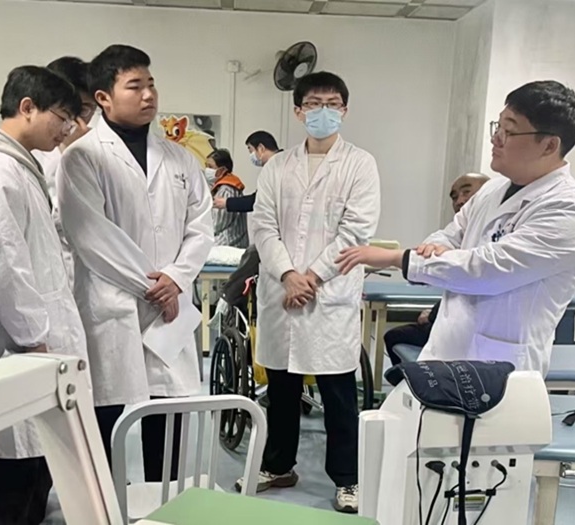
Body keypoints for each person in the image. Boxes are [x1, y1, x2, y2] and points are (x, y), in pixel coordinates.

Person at [337, 80, 575, 376]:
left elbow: (486, 270)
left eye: (509, 131)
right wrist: (436, 247)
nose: (496, 138)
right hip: (447, 349)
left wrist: (399, 258)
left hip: (500, 368)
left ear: (549, 145)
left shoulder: (569, 210)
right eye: (497, 126)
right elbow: (451, 234)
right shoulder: (493, 190)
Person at [57, 44, 213, 482]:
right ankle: (107, 506)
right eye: (134, 86)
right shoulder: (83, 157)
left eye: (151, 84)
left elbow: (201, 226)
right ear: (103, 97)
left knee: (168, 420)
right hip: (114, 309)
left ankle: (164, 506)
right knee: (107, 420)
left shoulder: (180, 159)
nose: (148, 95)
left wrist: (176, 279)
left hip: (169, 311)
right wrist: (154, 286)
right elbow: (91, 235)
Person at [246, 71, 380, 514]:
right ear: (298, 111)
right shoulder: (278, 166)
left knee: (338, 393)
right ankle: (279, 465)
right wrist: (288, 274)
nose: (324, 111)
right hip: (282, 291)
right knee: (281, 390)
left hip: (329, 295)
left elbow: (356, 230)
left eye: (333, 103)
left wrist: (313, 278)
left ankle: (347, 478)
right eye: (315, 103)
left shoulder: (360, 164)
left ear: (345, 109)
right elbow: (262, 225)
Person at [0, 65, 88, 525]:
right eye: (62, 117)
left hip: (40, 350)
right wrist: (35, 339)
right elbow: (5, 264)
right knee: (12, 491)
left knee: (34, 481)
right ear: (28, 107)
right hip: (20, 353)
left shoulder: (18, 164)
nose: (67, 129)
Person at [383, 173, 489, 364]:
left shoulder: (496, 234)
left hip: (479, 331)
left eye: (466, 192)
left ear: (489, 193)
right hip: (456, 325)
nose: (459, 201)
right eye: (455, 197)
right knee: (396, 336)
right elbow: (441, 240)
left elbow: (474, 277)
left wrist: (432, 315)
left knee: (397, 336)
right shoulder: (460, 229)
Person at [35, 56, 98, 289]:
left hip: (89, 280)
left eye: (88, 109)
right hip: (47, 278)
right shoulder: (33, 154)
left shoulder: (100, 151)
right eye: (70, 109)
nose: (78, 119)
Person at [212, 130, 280, 212]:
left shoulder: (279, 167)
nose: (251, 156)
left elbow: (258, 199)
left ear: (261, 148)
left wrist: (227, 203)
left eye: (251, 151)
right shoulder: (276, 165)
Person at [206, 148, 249, 248]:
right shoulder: (222, 186)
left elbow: (218, 224)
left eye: (210, 167)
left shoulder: (226, 190)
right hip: (230, 242)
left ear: (222, 170)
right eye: (206, 166)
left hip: (227, 243)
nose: (207, 170)